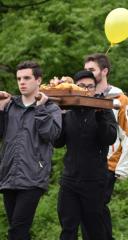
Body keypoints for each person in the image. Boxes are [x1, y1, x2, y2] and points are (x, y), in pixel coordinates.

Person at [0, 61, 62, 239]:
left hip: (33, 177)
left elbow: (51, 135)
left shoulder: (51, 108)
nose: (22, 82)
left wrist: (40, 108)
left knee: (16, 231)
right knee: (18, 229)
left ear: (38, 80)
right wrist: (0, 109)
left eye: (27, 78)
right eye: (19, 78)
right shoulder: (10, 106)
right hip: (8, 175)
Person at [55, 70, 118, 240]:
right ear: (75, 88)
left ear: (95, 89)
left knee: (95, 229)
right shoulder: (67, 112)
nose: (86, 89)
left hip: (95, 180)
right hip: (69, 180)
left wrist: (99, 116)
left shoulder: (103, 109)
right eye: (81, 86)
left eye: (90, 86)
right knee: (68, 227)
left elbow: (109, 138)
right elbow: (57, 143)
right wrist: (59, 116)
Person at [83, 53, 128, 240]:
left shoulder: (119, 99)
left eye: (91, 70)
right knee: (87, 209)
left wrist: (122, 167)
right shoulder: (82, 97)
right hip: (85, 163)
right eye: (86, 69)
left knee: (96, 207)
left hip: (108, 164)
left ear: (104, 71)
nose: (87, 73)